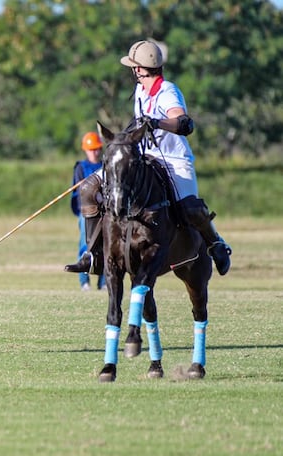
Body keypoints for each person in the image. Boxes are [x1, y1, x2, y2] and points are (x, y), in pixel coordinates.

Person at [65, 40, 232, 276]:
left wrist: (157, 122)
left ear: (140, 68)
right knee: (89, 188)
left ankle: (216, 243)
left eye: (133, 66)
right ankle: (94, 255)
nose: (132, 71)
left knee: (190, 208)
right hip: (143, 158)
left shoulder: (168, 91)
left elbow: (183, 122)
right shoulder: (140, 91)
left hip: (173, 159)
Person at [71, 132, 106, 291]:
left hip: (105, 213)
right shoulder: (80, 167)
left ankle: (104, 282)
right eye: (91, 149)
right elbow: (78, 194)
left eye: (97, 149)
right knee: (86, 245)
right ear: (85, 150)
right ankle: (84, 281)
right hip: (86, 214)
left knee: (107, 246)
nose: (95, 152)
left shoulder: (105, 166)